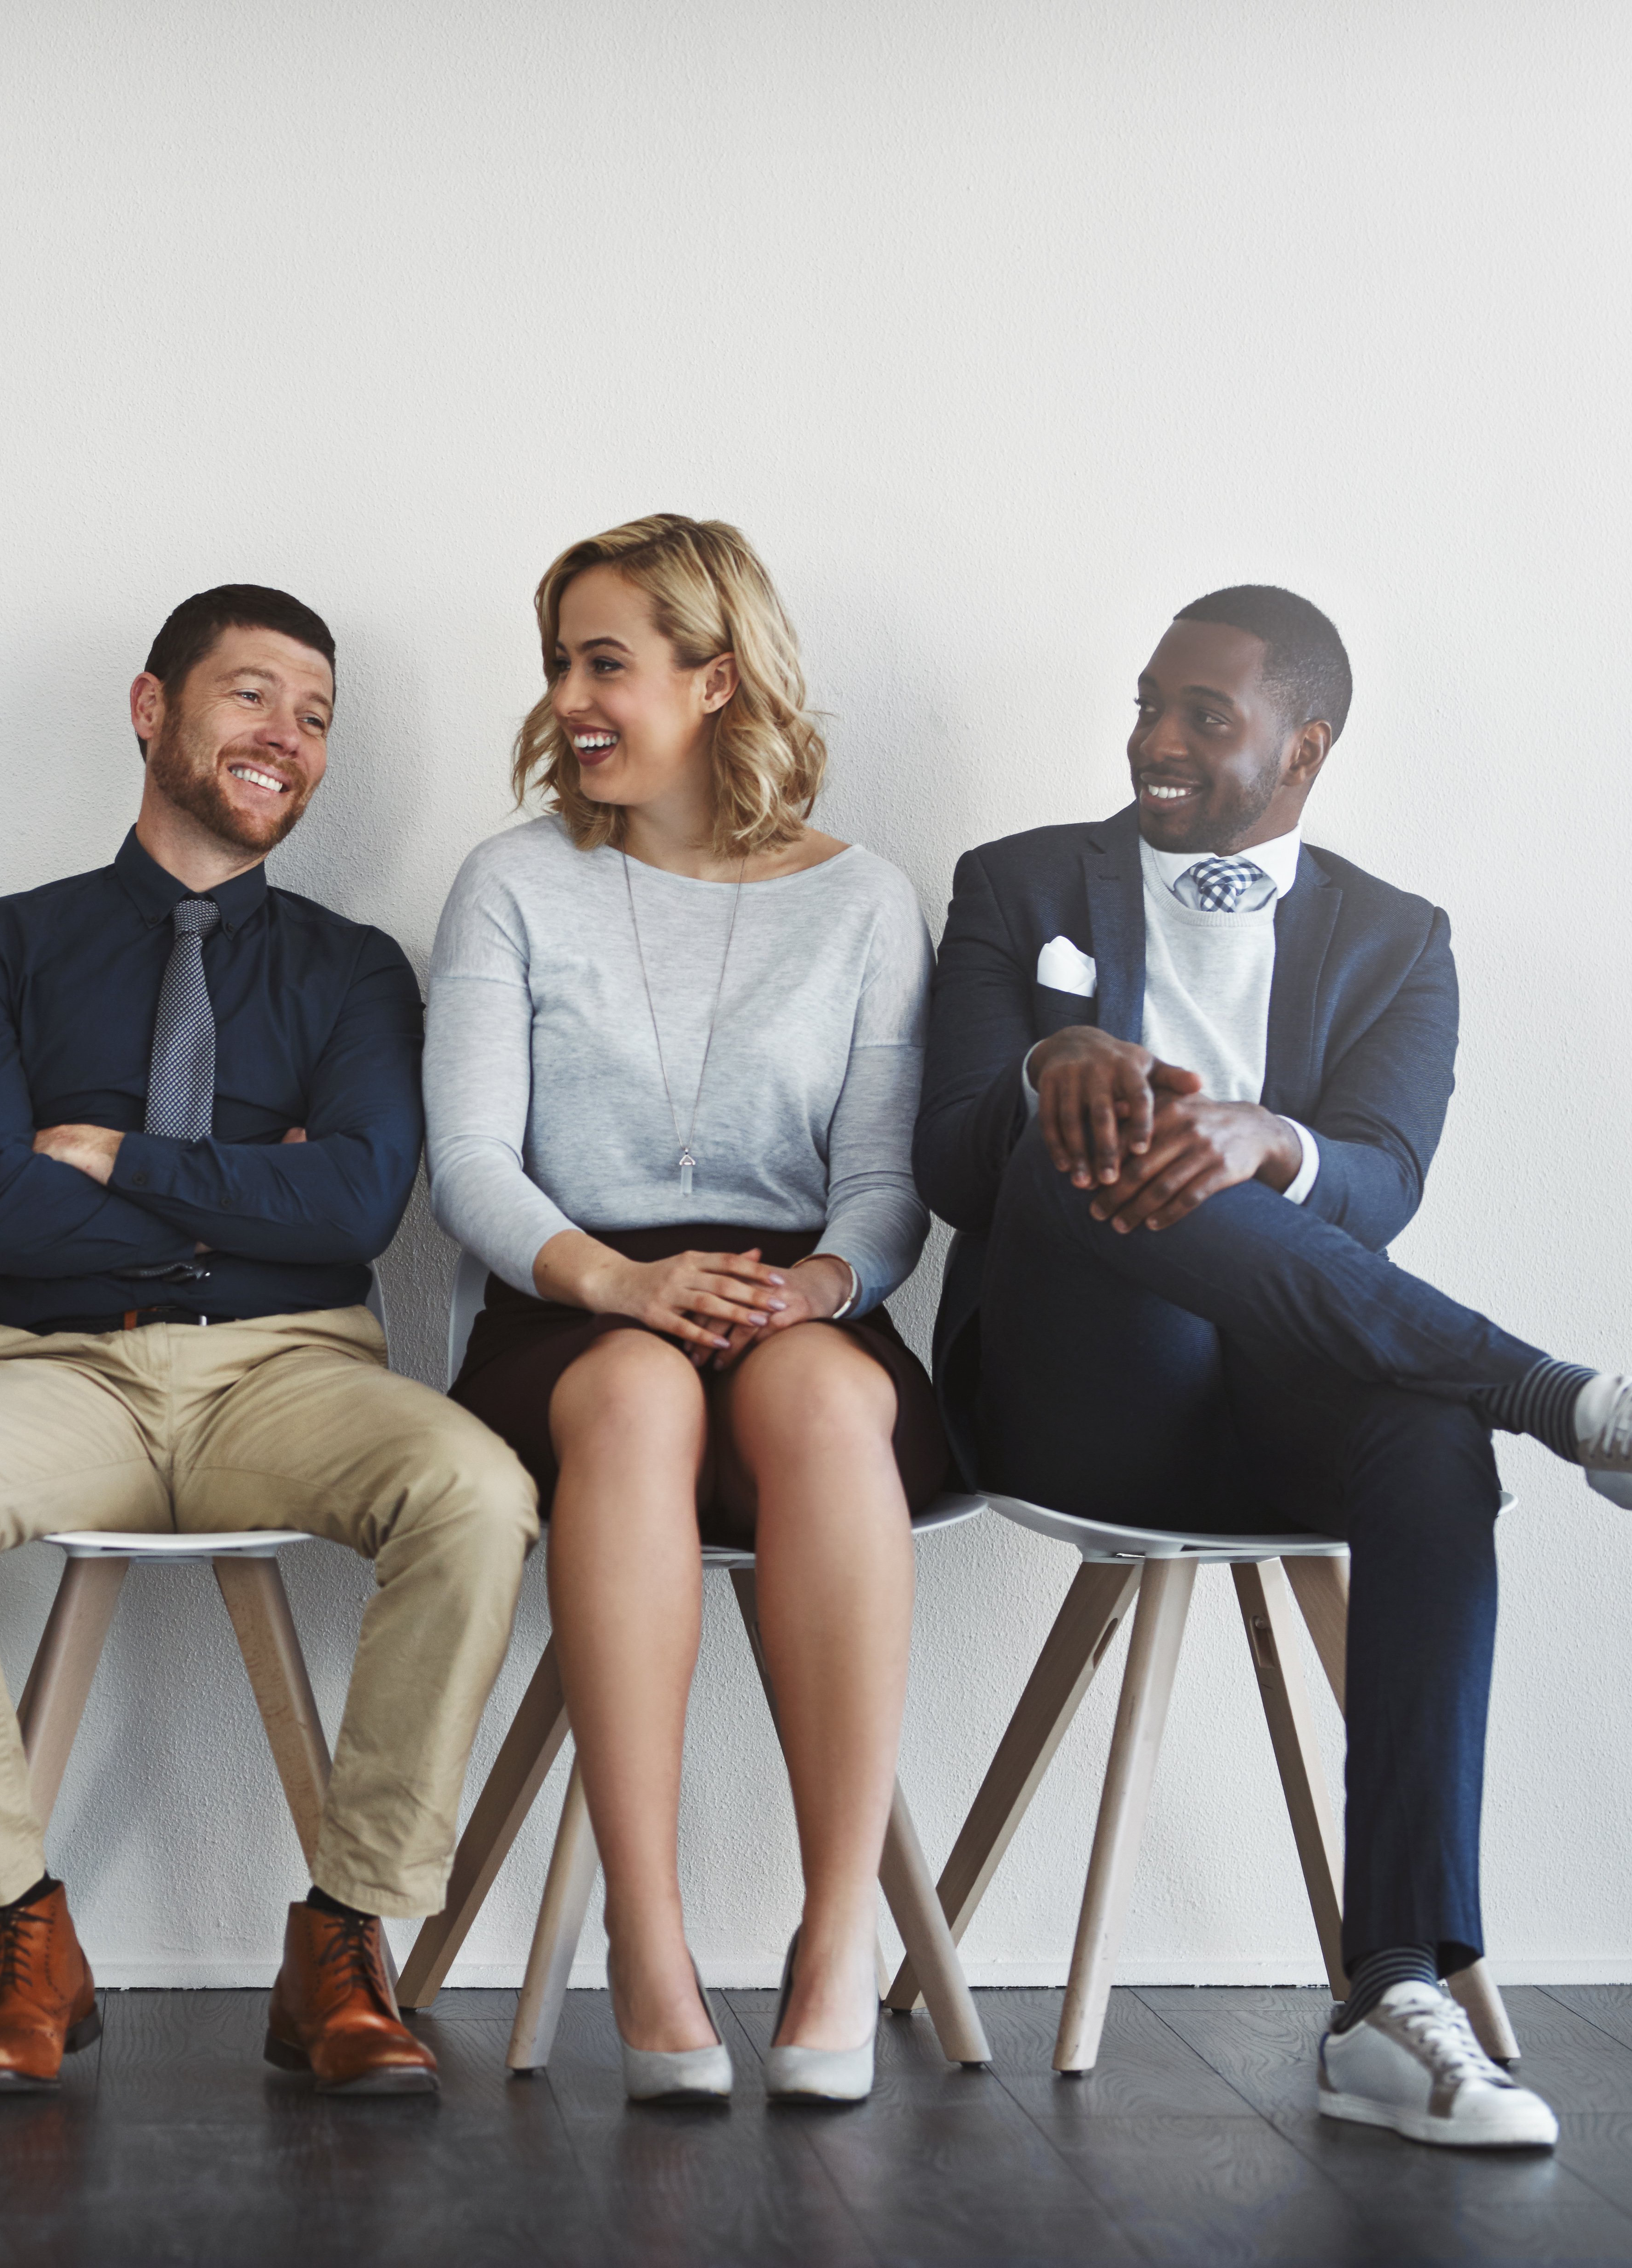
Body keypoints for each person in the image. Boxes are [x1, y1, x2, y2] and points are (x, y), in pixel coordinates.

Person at [919, 585, 1632, 2151]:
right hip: (1073, 1398)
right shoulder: (1018, 881)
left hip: (1293, 1393)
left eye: (1204, 717)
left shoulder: (1399, 939)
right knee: (1071, 1134)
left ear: (1304, 747)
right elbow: (953, 1172)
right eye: (1146, 703)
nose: (1154, 743)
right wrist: (1057, 1066)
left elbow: (1381, 1180)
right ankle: (1561, 1394)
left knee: (1430, 1450)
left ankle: (1390, 2000)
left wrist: (1273, 1141)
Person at [0, 585, 541, 2095]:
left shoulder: (354, 970)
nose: (287, 736)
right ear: (154, 711)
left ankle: (344, 1936)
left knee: (476, 1490)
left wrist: (116, 1159)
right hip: (51, 1375)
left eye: (318, 717)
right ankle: (20, 1926)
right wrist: (243, 1193)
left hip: (295, 1371)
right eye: (253, 696)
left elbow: (358, 1196)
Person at [425, 514, 943, 2107]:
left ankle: (832, 1938)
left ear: (716, 679)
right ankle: (644, 1949)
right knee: (642, 1397)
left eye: (608, 663)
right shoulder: (512, 882)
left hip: (791, 1289)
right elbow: (469, 1163)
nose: (572, 699)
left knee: (826, 1398)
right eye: (560, 665)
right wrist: (623, 1283)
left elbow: (885, 1185)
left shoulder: (863, 900)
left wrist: (823, 1288)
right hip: (569, 1297)